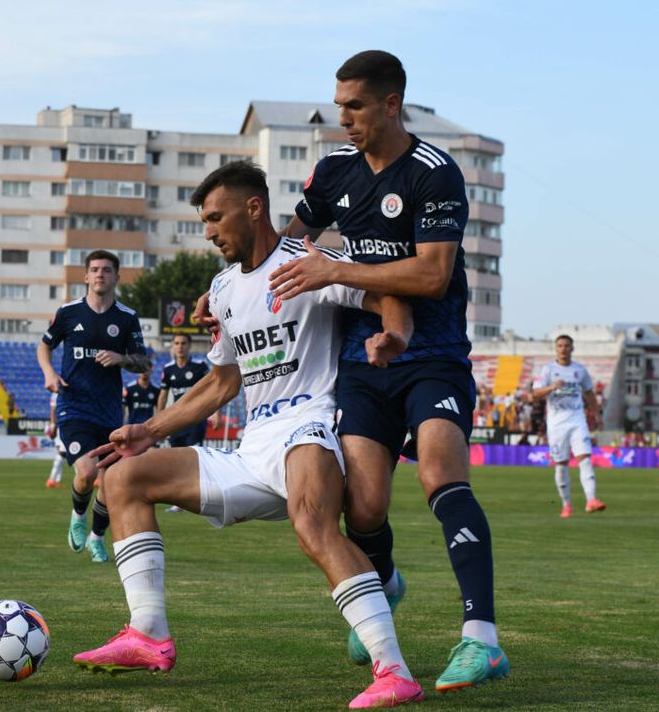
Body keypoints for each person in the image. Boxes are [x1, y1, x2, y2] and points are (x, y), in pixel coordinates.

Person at [74, 161, 423, 708]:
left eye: (215, 218)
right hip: (253, 445)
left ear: (253, 207)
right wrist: (149, 429)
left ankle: (394, 671)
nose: (208, 232)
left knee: (312, 524)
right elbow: (223, 381)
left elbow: (387, 295)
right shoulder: (223, 289)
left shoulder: (308, 265)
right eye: (204, 222)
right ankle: (148, 633)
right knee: (123, 481)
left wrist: (394, 337)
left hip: (312, 425)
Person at [262, 50, 507, 690]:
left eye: (355, 106)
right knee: (363, 509)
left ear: (391, 104)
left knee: (438, 475)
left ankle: (481, 639)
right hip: (359, 360)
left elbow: (432, 274)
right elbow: (292, 248)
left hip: (432, 355)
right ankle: (385, 582)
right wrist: (230, 293)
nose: (343, 118)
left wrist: (336, 267)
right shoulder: (334, 171)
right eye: (339, 104)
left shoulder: (434, 173)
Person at [37, 249, 150, 563]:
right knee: (86, 471)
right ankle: (77, 516)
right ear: (86, 276)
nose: (101, 274)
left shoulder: (127, 318)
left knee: (110, 481)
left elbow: (143, 363)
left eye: (107, 270)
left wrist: (121, 358)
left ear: (117, 276)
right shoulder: (68, 313)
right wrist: (49, 372)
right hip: (74, 405)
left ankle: (97, 537)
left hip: (111, 411)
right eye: (95, 269)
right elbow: (44, 345)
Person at [530, 334, 606, 518]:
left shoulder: (579, 370)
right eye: (560, 346)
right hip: (557, 423)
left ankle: (591, 500)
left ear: (572, 348)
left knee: (585, 458)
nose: (563, 349)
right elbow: (535, 393)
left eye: (566, 346)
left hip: (577, 420)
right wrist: (551, 388)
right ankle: (566, 504)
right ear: (556, 349)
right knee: (561, 465)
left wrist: (597, 415)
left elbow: (589, 394)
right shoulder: (548, 370)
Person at [157, 334, 210, 447]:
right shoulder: (168, 369)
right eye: (177, 343)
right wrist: (158, 419)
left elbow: (212, 389)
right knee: (176, 455)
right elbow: (163, 395)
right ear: (172, 346)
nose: (180, 347)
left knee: (193, 454)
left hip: (195, 418)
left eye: (183, 343)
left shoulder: (200, 366)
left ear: (189, 345)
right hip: (176, 420)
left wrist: (217, 414)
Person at [45, 393, 66, 489]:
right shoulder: (58, 392)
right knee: (62, 453)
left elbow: (53, 410)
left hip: (61, 425)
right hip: (61, 425)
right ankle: (51, 479)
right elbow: (53, 410)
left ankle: (56, 480)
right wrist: (53, 425)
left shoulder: (56, 393)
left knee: (63, 453)